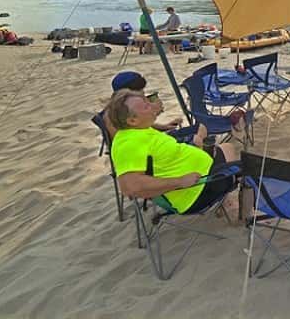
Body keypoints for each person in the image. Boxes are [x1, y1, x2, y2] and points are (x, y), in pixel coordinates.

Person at [106, 88, 240, 215]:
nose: (152, 106)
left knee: (226, 148)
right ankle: (238, 209)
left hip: (200, 177)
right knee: (248, 165)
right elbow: (130, 187)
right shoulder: (128, 144)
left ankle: (227, 202)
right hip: (198, 190)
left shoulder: (140, 130)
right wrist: (179, 181)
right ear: (132, 120)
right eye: (146, 107)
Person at [102, 71, 184, 140]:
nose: (143, 93)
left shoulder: (119, 106)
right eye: (140, 91)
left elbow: (138, 124)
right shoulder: (113, 115)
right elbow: (132, 139)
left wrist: (164, 126)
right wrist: (153, 112)